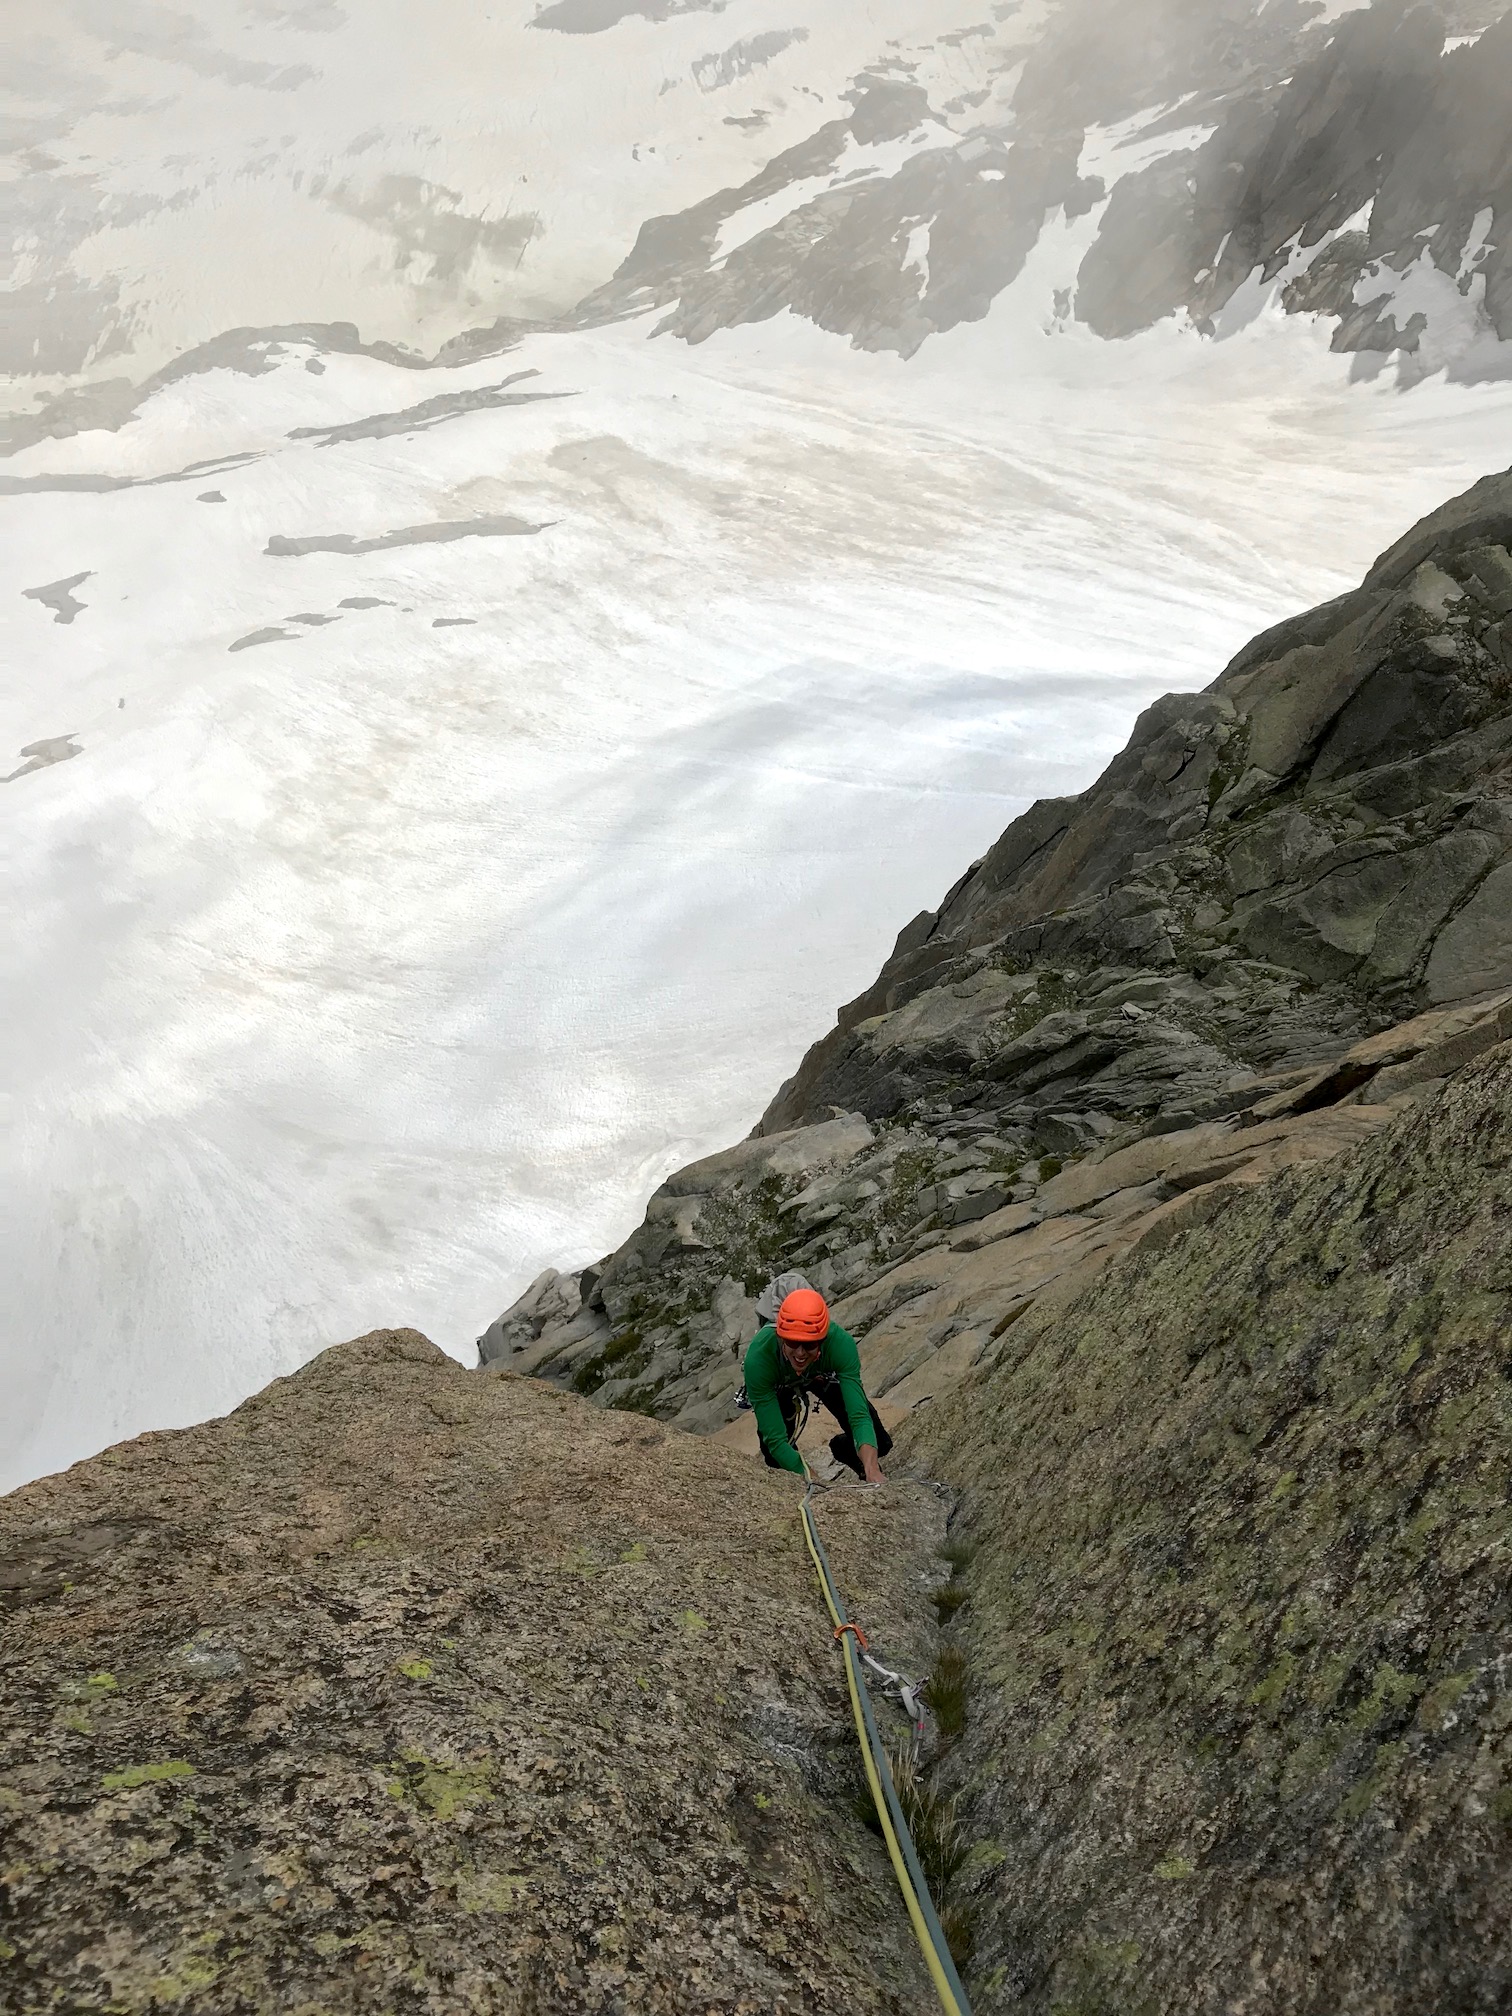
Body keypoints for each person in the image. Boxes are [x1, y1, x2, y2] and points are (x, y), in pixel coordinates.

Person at [743, 1287, 891, 1482]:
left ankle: (845, 1451)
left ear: (823, 1339)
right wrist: (813, 1480)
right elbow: (776, 1440)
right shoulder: (759, 1359)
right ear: (780, 1337)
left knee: (880, 1441)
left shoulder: (840, 1345)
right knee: (775, 1458)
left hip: (820, 1374)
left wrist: (873, 1470)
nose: (800, 1353)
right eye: (792, 1342)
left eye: (810, 1344)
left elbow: (859, 1416)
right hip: (780, 1381)